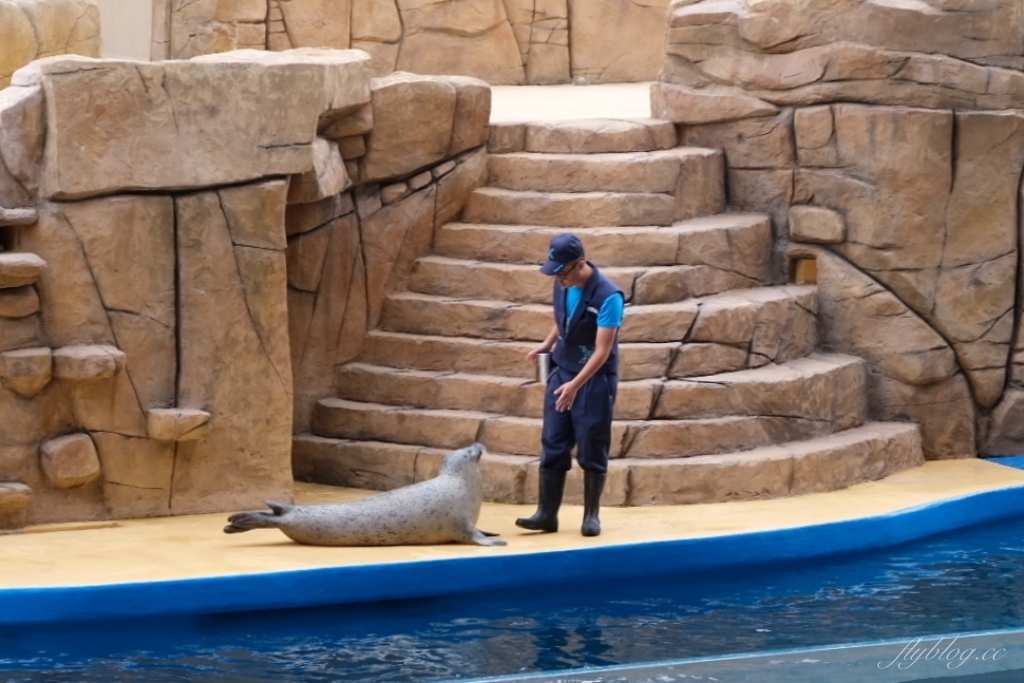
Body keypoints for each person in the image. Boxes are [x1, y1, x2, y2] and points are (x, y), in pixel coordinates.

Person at [515, 233, 624, 537]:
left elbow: (602, 351)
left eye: (561, 272)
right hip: (563, 370)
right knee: (553, 438)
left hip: (594, 378)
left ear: (579, 265)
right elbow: (563, 319)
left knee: (592, 441)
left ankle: (591, 515)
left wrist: (576, 385)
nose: (557, 278)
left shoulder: (609, 297)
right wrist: (546, 344)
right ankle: (546, 514)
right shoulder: (563, 282)